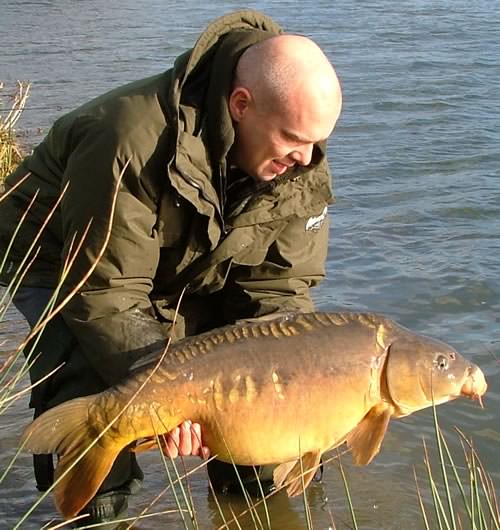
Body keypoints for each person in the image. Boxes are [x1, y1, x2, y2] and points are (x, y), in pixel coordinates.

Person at [0, 9, 342, 527]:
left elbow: (279, 290)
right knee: (99, 395)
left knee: (265, 403)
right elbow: (106, 294)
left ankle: (249, 500)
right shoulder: (126, 137)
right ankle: (94, 510)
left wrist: (268, 390)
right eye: (293, 139)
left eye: (317, 142)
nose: (307, 157)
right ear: (242, 105)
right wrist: (175, 396)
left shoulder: (299, 156)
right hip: (64, 265)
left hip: (190, 259)